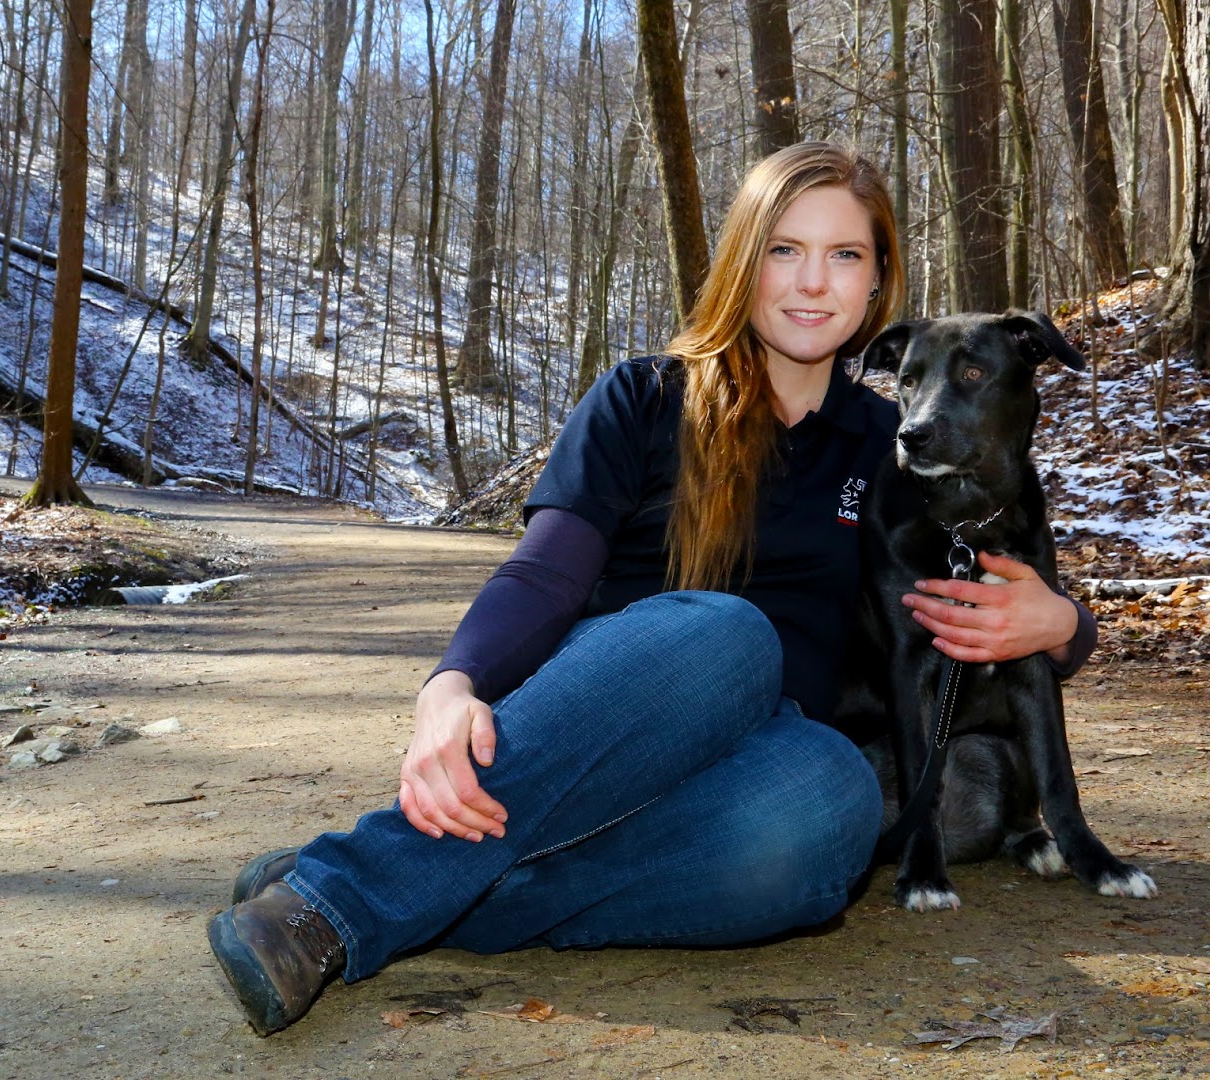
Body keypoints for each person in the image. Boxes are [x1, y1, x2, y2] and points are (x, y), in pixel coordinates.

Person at [206, 142, 1097, 1036]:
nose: (812, 282)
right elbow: (545, 570)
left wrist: (1061, 624)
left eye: (845, 256)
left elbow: (987, 584)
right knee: (727, 635)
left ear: (877, 283)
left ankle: (419, 883)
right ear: (743, 263)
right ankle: (328, 905)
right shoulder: (641, 396)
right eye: (784, 249)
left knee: (835, 801)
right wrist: (452, 685)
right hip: (603, 735)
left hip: (751, 777)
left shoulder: (893, 441)